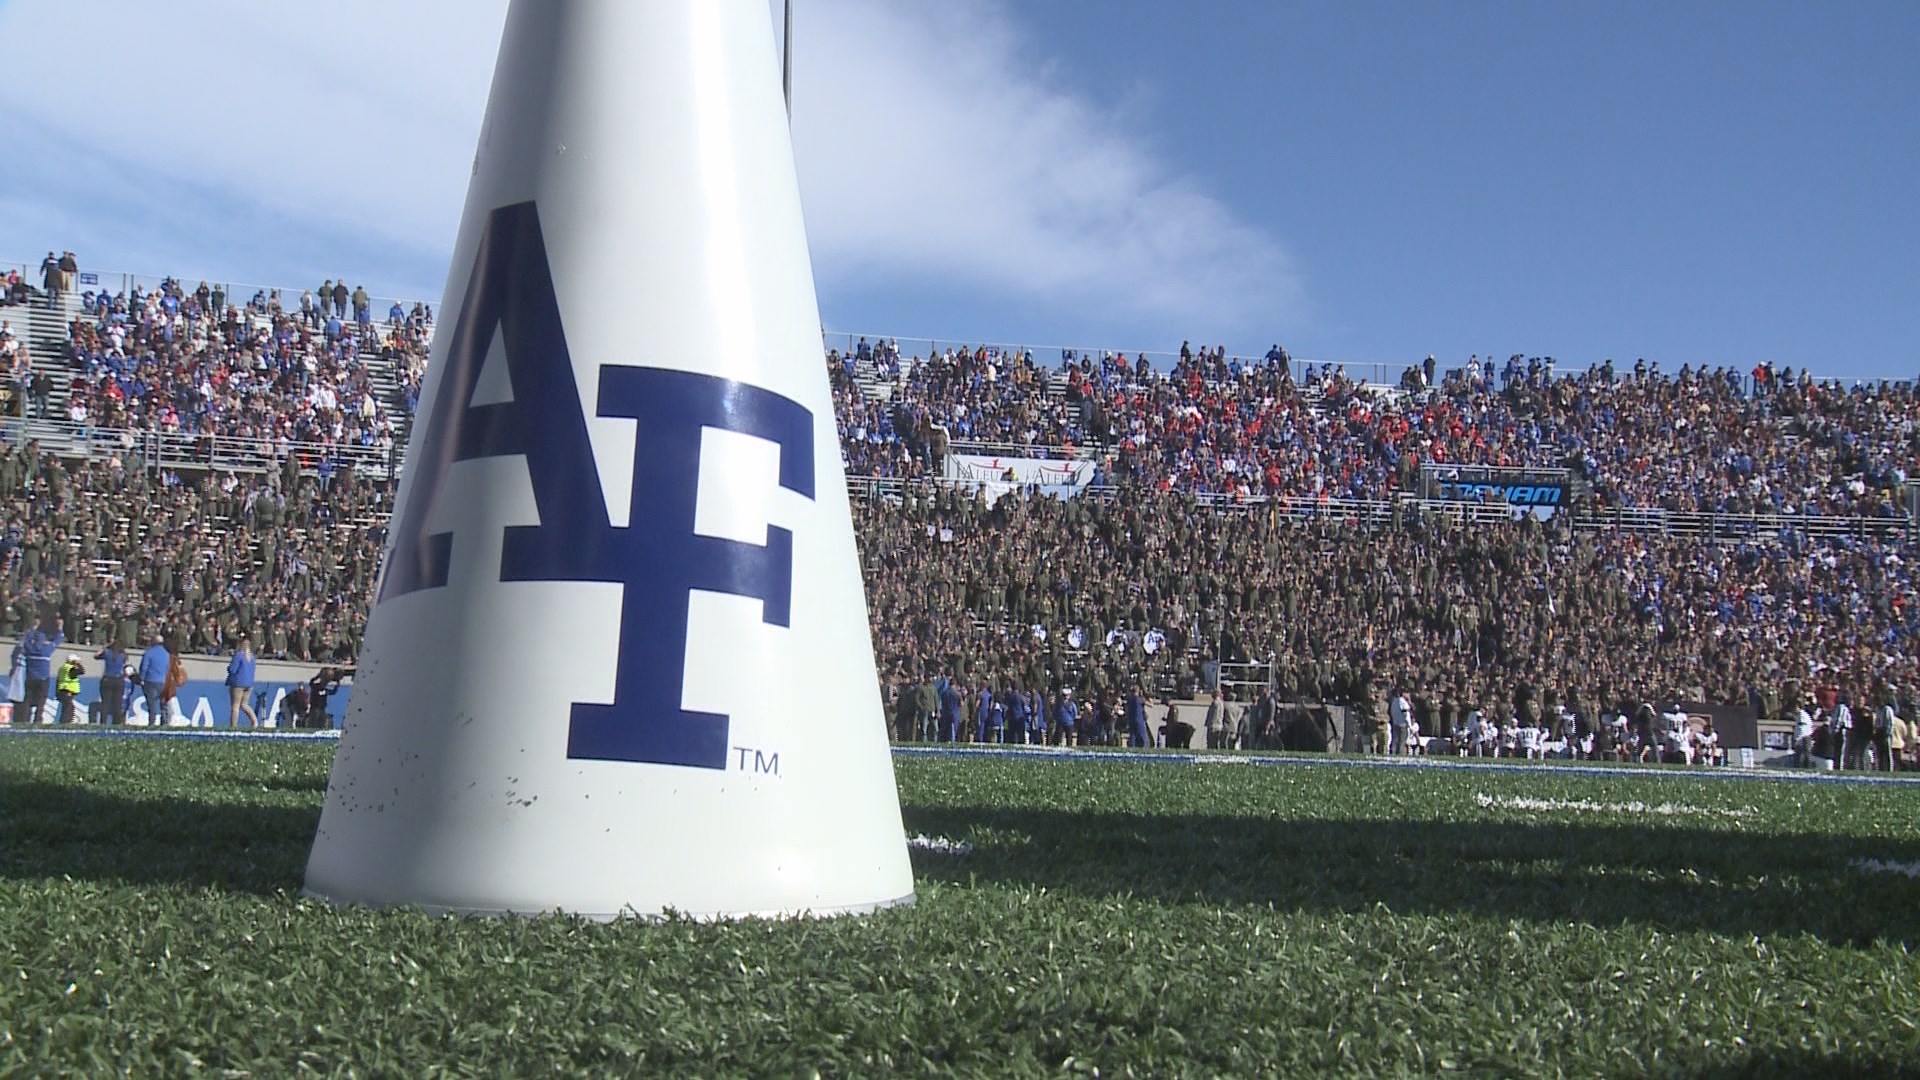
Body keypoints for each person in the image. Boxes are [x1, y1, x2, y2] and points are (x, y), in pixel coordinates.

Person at [14, 611, 63, 725]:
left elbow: (25, 640)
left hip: (30, 677)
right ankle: (37, 719)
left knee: (28, 699)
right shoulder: (47, 649)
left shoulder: (29, 649)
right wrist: (60, 628)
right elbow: (58, 639)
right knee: (41, 701)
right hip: (43, 679)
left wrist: (33, 628)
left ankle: (25, 719)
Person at [137, 632, 171, 728]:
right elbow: (167, 668)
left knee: (151, 704)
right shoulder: (166, 654)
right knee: (163, 704)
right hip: (162, 681)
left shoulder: (149, 653)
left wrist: (142, 678)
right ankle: (164, 722)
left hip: (150, 681)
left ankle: (152, 722)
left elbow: (144, 667)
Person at [226, 638, 259, 730]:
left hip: (238, 683)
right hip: (249, 683)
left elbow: (233, 669)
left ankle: (233, 726)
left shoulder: (239, 655)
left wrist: (228, 668)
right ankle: (254, 721)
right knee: (244, 704)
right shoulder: (252, 657)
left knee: (235, 705)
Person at [96, 639, 128, 724]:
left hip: (107, 679)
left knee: (105, 703)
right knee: (118, 703)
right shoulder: (123, 655)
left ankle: (103, 722)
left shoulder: (107, 653)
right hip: (119, 679)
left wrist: (105, 646)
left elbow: (96, 656)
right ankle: (117, 722)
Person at [54, 654, 84, 724]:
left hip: (62, 689)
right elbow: (81, 671)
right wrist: (79, 664)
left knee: (68, 707)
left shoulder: (63, 668)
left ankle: (65, 721)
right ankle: (66, 722)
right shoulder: (71, 668)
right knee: (68, 708)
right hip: (68, 690)